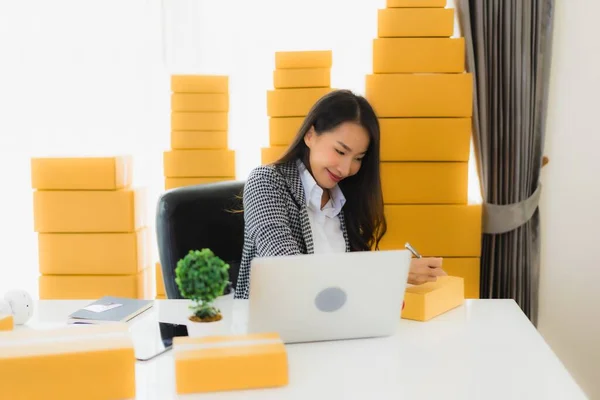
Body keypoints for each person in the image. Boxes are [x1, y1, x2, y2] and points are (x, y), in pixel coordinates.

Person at [234, 89, 446, 299]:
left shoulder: (345, 196)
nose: (345, 169)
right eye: (340, 151)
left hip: (335, 325)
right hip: (275, 328)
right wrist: (393, 271)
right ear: (310, 135)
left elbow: (348, 283)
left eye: (358, 158)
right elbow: (287, 271)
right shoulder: (266, 182)